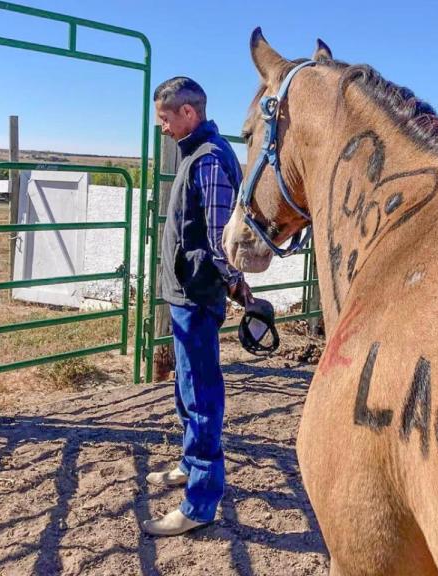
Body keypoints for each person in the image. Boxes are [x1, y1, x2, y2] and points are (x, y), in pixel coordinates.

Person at [142, 76, 252, 536]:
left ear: (189, 113)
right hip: (186, 292)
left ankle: (200, 502)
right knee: (188, 390)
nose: (162, 127)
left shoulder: (207, 161)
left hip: (196, 294)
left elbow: (217, 239)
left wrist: (233, 286)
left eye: (165, 119)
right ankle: (191, 464)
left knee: (202, 394)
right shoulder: (198, 154)